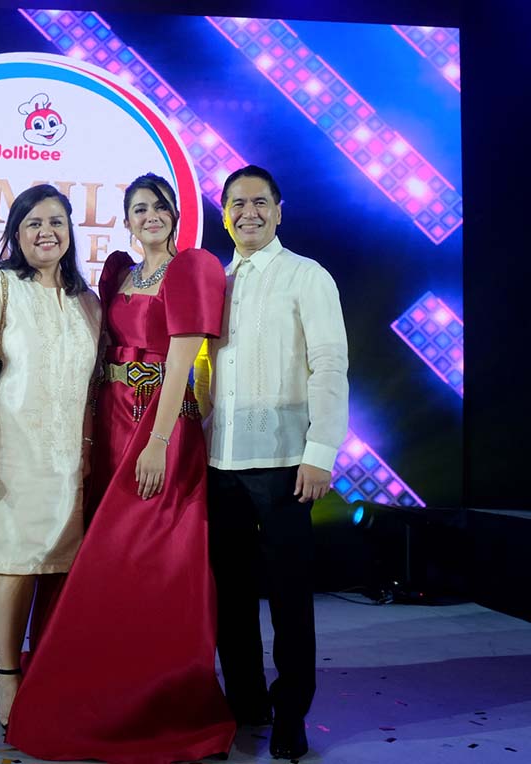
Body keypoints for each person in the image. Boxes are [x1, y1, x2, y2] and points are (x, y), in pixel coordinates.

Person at [6, 173, 236, 763]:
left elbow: (183, 356)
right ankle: (87, 677)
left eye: (159, 207)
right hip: (110, 424)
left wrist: (158, 441)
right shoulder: (117, 273)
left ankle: (152, 691)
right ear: (127, 221)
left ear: (174, 214)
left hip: (161, 426)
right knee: (98, 554)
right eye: (139, 209)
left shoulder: (192, 268)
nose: (149, 216)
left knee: (148, 554)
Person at [0, 184, 101, 730]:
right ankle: (7, 675)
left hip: (67, 459)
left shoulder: (88, 301)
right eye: (33, 222)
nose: (46, 232)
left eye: (56, 222)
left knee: (49, 566)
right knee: (11, 561)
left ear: (70, 232)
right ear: (15, 231)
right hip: (8, 450)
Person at [206, 165, 349, 760]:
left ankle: (292, 712)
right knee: (231, 595)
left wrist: (320, 452)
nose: (249, 214)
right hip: (220, 463)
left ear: (279, 210)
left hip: (288, 463)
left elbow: (330, 366)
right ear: (224, 215)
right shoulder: (215, 278)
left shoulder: (306, 276)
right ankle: (245, 702)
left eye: (260, 203)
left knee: (290, 597)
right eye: (237, 205)